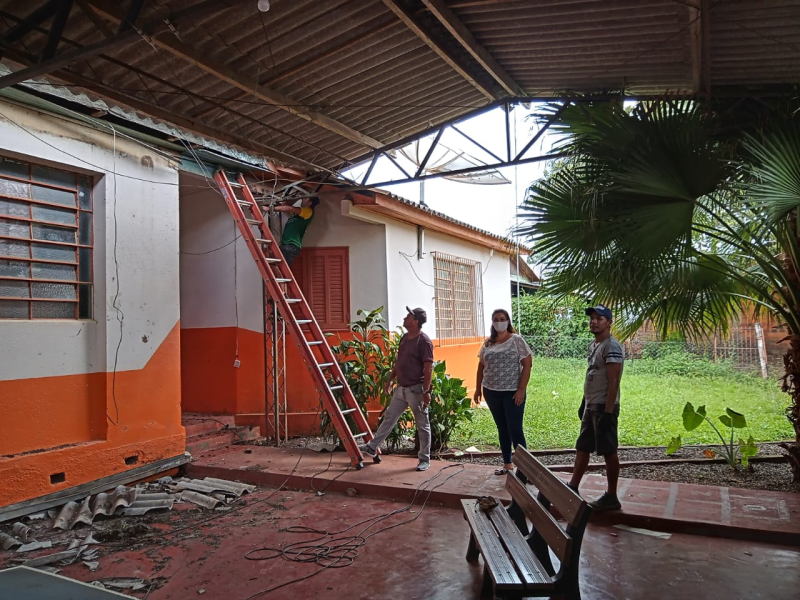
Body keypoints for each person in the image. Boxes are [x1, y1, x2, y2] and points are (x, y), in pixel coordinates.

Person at [362, 307, 434, 471]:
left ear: (415, 322)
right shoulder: (404, 338)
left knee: (422, 425)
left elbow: (428, 368)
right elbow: (399, 363)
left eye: (408, 316)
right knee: (389, 418)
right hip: (401, 389)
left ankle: (424, 459)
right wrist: (389, 382)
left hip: (416, 390)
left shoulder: (424, 341)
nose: (405, 317)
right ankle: (373, 446)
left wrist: (426, 392)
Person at [569, 304, 625, 511]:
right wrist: (585, 402)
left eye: (599, 318)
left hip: (604, 406)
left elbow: (614, 381)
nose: (594, 321)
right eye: (592, 318)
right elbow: (592, 375)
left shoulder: (612, 346)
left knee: (608, 451)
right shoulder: (594, 345)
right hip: (592, 405)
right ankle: (573, 486)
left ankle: (612, 496)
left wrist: (608, 413)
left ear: (609, 323)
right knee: (583, 447)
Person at [474, 309, 533, 476]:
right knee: (502, 428)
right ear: (492, 322)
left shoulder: (516, 340)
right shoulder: (488, 342)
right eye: (495, 319)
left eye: (502, 319)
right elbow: (481, 366)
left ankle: (525, 470)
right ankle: (508, 464)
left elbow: (527, 364)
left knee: (515, 429)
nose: (498, 322)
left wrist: (521, 389)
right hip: (491, 392)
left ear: (508, 321)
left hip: (512, 392)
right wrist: (478, 388)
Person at [274, 195, 320, 266]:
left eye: (305, 198)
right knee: (275, 264)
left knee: (280, 267)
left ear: (310, 203)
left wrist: (270, 208)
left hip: (291, 245)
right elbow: (284, 205)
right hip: (286, 244)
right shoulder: (298, 214)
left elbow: (289, 208)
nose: (302, 199)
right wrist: (296, 197)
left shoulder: (308, 211)